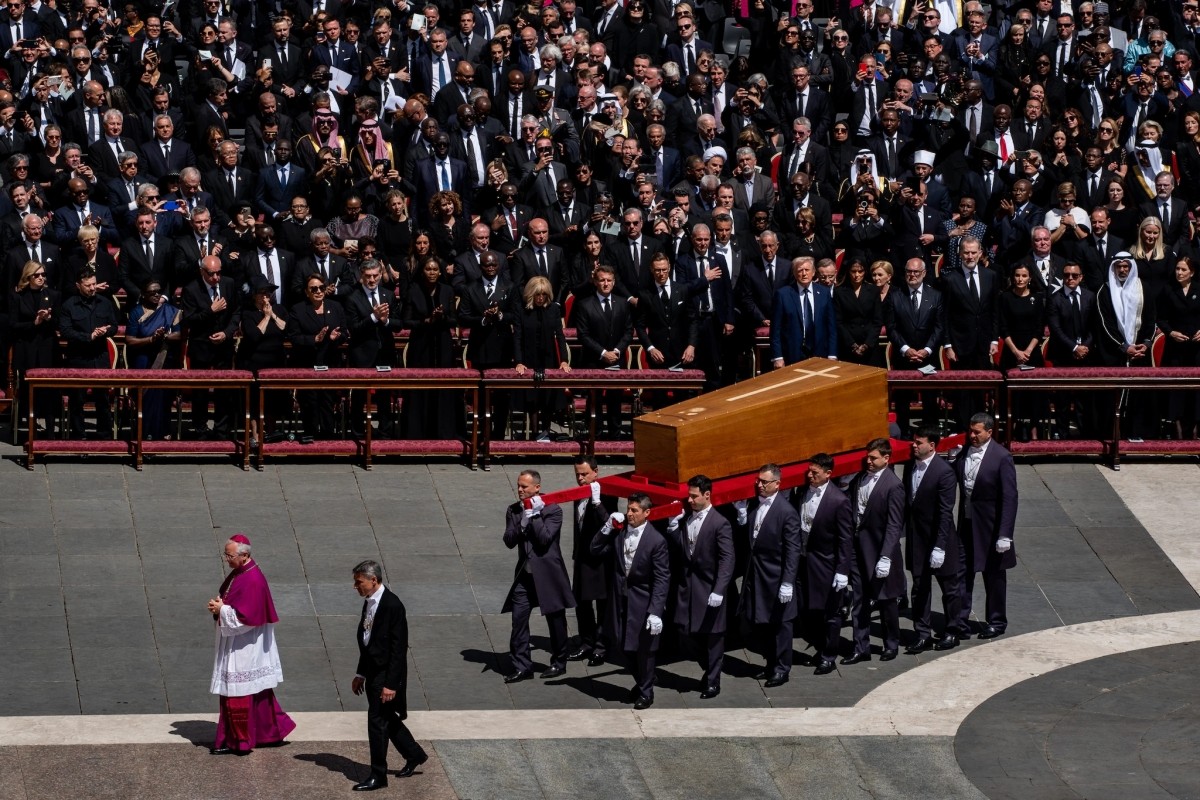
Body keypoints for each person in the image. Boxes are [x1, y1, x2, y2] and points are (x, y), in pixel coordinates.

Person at [207, 534, 295, 755]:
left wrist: (221, 610)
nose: (226, 559)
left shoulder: (253, 579)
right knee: (258, 694)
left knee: (239, 694)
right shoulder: (241, 573)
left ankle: (239, 742)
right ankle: (269, 733)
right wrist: (219, 604)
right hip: (240, 642)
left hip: (245, 646)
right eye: (225, 554)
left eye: (229, 555)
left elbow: (247, 618)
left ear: (244, 555)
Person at [350, 559, 428, 791]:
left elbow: (398, 648)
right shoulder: (369, 601)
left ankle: (378, 775)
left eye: (359, 582)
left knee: (377, 722)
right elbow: (367, 640)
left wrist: (391, 684)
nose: (356, 586)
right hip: (372, 671)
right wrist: (360, 673)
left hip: (385, 675)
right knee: (386, 718)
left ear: (373, 580)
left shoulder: (393, 605)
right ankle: (414, 754)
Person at [591, 492, 670, 710]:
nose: (629, 514)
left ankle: (646, 692)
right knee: (622, 645)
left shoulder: (656, 541)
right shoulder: (620, 532)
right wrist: (607, 526)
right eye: (629, 508)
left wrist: (655, 611)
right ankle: (643, 681)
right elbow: (595, 549)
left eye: (635, 510)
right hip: (619, 600)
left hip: (642, 603)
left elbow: (662, 578)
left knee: (644, 650)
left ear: (647, 513)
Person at [501, 469, 576, 683]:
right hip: (525, 576)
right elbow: (508, 540)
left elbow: (544, 539)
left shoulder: (553, 510)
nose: (520, 490)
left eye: (525, 487)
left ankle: (559, 662)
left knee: (556, 620)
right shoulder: (514, 510)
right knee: (519, 620)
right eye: (518, 485)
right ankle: (522, 666)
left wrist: (534, 517)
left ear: (537, 488)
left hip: (548, 576)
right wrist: (522, 523)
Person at [663, 474, 734, 699]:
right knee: (686, 633)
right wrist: (674, 529)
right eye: (689, 496)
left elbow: (727, 559)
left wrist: (719, 589)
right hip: (688, 590)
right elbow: (684, 550)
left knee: (713, 638)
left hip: (709, 589)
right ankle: (709, 669)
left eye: (694, 496)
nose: (690, 500)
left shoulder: (719, 523)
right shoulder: (688, 520)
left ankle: (713, 682)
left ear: (707, 495)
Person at [737, 462, 803, 686]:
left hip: (776, 577)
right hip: (757, 576)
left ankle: (782, 669)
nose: (760, 485)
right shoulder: (755, 505)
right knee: (761, 624)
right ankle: (770, 664)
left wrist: (788, 582)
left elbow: (793, 550)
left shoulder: (786, 512)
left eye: (764, 482)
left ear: (777, 484)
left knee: (781, 626)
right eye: (758, 481)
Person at [955, 413, 1018, 640]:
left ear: (989, 432)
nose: (972, 435)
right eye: (970, 431)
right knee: (962, 573)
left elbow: (1010, 497)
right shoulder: (964, 453)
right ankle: (960, 620)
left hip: (991, 529)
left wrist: (1005, 534)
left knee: (993, 576)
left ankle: (996, 620)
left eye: (977, 432)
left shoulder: (1001, 457)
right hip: (967, 524)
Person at [904, 427, 966, 653]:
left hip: (940, 540)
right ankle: (922, 633)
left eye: (919, 442)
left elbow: (944, 512)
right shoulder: (911, 466)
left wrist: (939, 547)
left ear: (932, 445)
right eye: (914, 442)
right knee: (919, 588)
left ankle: (952, 631)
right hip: (917, 539)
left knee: (949, 588)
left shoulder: (944, 472)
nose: (914, 445)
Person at [844, 439, 906, 664]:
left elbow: (894, 524)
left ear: (886, 459)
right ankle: (861, 646)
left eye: (873, 458)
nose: (868, 461)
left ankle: (891, 644)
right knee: (859, 599)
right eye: (867, 457)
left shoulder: (893, 485)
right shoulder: (860, 479)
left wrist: (886, 556)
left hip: (879, 551)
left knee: (887, 600)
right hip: (858, 550)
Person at [796, 453, 853, 676]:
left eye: (815, 473)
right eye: (809, 471)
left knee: (829, 613)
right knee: (808, 610)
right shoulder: (802, 492)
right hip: (804, 560)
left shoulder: (839, 501)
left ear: (828, 474)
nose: (810, 475)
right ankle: (819, 648)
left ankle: (829, 655)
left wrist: (842, 571)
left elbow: (845, 539)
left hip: (826, 564)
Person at [567, 456, 616, 667]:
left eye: (584, 474)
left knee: (602, 605)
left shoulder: (607, 494)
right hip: (582, 558)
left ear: (596, 472)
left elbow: (609, 524)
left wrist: (597, 504)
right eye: (577, 474)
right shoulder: (579, 495)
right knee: (581, 603)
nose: (580, 478)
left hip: (600, 560)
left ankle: (601, 646)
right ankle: (586, 642)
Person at [59, 267, 119, 438]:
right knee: (77, 400)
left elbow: (114, 326)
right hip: (78, 357)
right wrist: (88, 336)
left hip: (100, 357)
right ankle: (79, 435)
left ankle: (104, 435)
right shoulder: (68, 305)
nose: (92, 288)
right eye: (88, 285)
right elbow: (65, 331)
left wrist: (106, 331)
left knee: (103, 399)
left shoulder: (105, 302)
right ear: (78, 285)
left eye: (94, 284)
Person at [124, 280, 182, 440]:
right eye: (152, 292)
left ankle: (163, 432)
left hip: (165, 359)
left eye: (159, 291)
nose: (157, 295)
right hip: (143, 360)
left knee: (163, 397)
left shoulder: (171, 311)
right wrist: (150, 339)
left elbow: (179, 334)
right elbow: (130, 339)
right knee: (146, 396)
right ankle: (144, 433)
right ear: (143, 294)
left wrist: (163, 336)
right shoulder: (136, 312)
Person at [8, 261, 59, 436]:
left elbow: (61, 323)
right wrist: (34, 323)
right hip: (26, 349)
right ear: (28, 277)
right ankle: (30, 428)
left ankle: (51, 430)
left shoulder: (52, 295)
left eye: (43, 275)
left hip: (47, 348)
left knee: (49, 390)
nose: (41, 278)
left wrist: (49, 318)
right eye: (36, 275)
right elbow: (13, 325)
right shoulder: (18, 296)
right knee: (28, 389)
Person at [1156, 257, 1200, 439]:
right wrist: (1170, 332)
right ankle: (1176, 427)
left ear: (1192, 272)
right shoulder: (1168, 290)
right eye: (1177, 269)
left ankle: (1196, 426)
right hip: (1176, 348)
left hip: (1197, 348)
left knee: (1196, 389)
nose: (1179, 273)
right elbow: (1160, 317)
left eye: (1183, 270)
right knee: (1177, 388)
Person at [770, 255, 837, 367]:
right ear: (795, 273)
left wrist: (832, 354)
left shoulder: (824, 293)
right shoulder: (783, 295)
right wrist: (777, 357)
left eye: (807, 270)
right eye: (800, 270)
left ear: (814, 272)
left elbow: (831, 327)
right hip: (792, 353)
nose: (804, 273)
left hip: (820, 353)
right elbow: (775, 329)